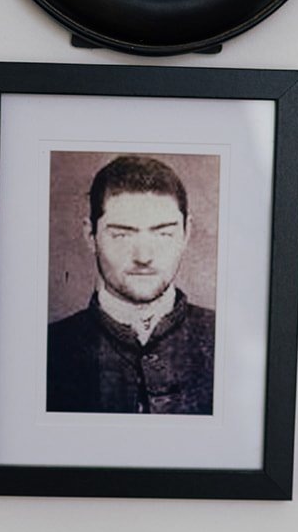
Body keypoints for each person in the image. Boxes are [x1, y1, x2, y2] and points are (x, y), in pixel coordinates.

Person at [46, 155, 215, 415]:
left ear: (186, 233)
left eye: (163, 233)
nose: (144, 257)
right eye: (122, 235)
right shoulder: (48, 351)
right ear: (90, 235)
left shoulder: (226, 342)